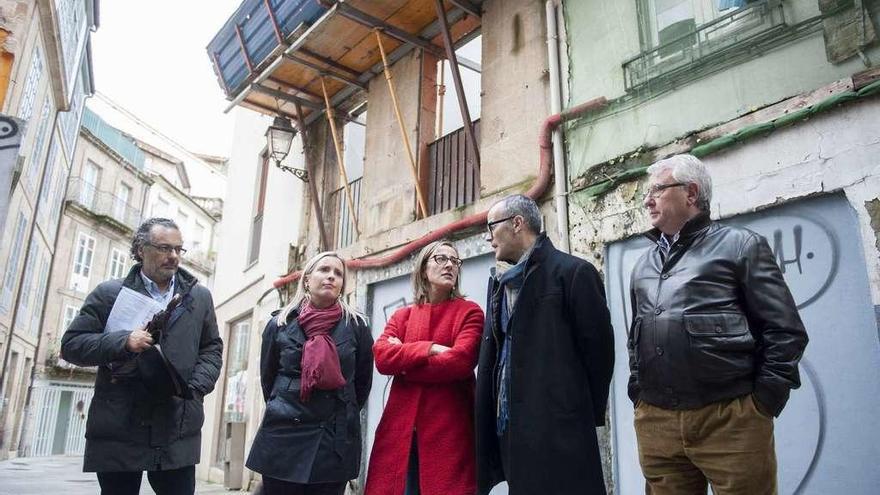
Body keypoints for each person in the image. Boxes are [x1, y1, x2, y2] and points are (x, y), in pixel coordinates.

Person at [628, 154, 809, 494]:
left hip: (731, 421)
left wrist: (761, 405)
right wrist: (638, 393)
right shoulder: (643, 264)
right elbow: (635, 335)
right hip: (657, 422)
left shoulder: (741, 246)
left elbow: (785, 330)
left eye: (656, 190)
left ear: (691, 193)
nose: (647, 200)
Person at [61, 217, 223, 495]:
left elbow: (211, 348)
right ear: (140, 250)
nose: (172, 256)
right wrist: (123, 341)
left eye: (178, 249)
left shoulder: (199, 297)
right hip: (120, 422)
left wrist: (195, 389)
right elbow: (72, 345)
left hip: (177, 422)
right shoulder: (109, 293)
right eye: (163, 248)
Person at [475, 195, 615, 495]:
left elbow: (599, 353)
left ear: (517, 224)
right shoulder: (500, 285)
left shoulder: (573, 273)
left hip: (559, 429)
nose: (488, 237)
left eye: (491, 226)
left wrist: (574, 411)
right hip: (512, 430)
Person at [246, 252, 373, 495]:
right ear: (307, 279)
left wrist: (342, 411)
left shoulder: (356, 325)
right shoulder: (280, 323)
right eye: (324, 270)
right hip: (284, 433)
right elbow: (269, 379)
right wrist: (285, 403)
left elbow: (362, 383)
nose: (331, 277)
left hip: (333, 437)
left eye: (338, 274)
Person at [366, 241, 485, 495]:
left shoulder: (470, 312)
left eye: (455, 261)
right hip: (402, 431)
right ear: (423, 269)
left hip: (449, 431)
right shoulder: (402, 316)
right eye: (441, 259)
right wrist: (430, 349)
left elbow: (459, 362)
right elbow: (382, 359)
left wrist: (405, 361)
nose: (450, 265)